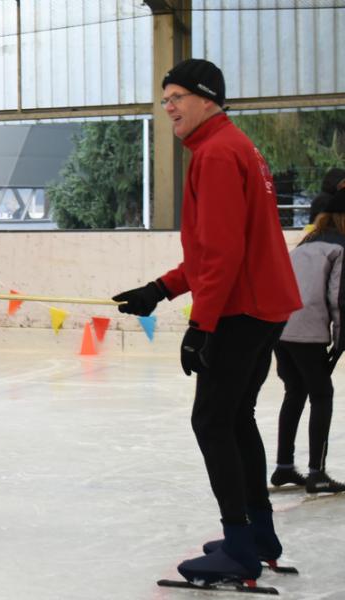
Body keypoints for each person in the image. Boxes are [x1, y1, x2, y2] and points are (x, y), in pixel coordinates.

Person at [113, 59, 302, 586]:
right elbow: (212, 251)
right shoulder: (233, 146)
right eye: (165, 98)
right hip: (262, 304)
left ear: (207, 99)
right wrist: (160, 289)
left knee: (212, 421)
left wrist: (203, 327)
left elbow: (221, 253)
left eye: (176, 97)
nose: (167, 107)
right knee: (236, 416)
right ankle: (259, 534)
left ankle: (240, 547)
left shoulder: (216, 154)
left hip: (241, 308)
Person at [271, 187, 345, 494]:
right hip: (306, 329)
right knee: (322, 395)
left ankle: (284, 467)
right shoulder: (340, 248)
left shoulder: (304, 244)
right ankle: (317, 473)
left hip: (279, 327)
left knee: (295, 390)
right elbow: (338, 298)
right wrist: (340, 342)